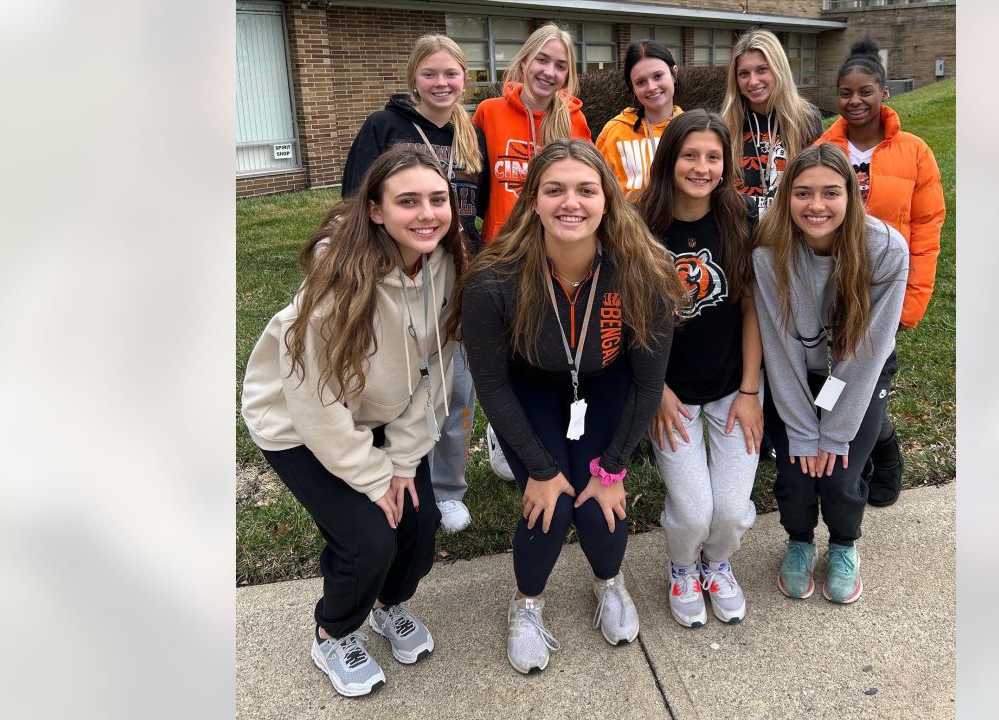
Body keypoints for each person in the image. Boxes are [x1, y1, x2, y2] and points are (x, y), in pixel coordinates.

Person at [449, 139, 681, 673]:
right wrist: (540, 468)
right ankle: (526, 604)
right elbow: (491, 384)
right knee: (549, 511)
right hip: (529, 389)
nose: (569, 203)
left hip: (603, 386)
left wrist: (615, 466)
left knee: (600, 512)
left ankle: (609, 583)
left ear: (608, 201)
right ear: (532, 200)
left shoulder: (645, 271)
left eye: (585, 190)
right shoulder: (492, 279)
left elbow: (649, 383)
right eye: (554, 189)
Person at [241, 148, 465, 697]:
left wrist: (404, 464)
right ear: (375, 210)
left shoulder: (446, 264)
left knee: (417, 526)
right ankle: (333, 633)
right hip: (297, 425)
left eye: (438, 200)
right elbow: (313, 400)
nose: (427, 214)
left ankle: (388, 607)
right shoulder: (339, 279)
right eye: (407, 201)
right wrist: (371, 477)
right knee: (368, 539)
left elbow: (436, 371)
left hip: (380, 415)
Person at [339, 33, 490, 531]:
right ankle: (392, 473)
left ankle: (446, 489)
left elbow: (479, 211)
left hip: (454, 277)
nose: (442, 83)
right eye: (431, 74)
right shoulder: (385, 127)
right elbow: (353, 206)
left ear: (465, 78)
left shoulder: (471, 136)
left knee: (456, 389)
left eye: (451, 73)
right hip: (391, 278)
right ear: (414, 80)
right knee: (397, 385)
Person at [751, 144, 908, 605]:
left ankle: (843, 545)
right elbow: (780, 352)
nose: (815, 205)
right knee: (797, 473)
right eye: (802, 193)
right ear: (786, 197)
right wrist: (803, 433)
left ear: (853, 194)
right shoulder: (768, 250)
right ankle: (799, 541)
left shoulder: (885, 249)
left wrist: (834, 434)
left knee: (839, 475)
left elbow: (868, 352)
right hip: (796, 372)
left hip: (860, 370)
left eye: (829, 193)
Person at [634, 109, 763, 627]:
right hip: (671, 394)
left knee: (729, 511)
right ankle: (683, 565)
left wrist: (751, 390)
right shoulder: (641, 223)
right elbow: (632, 317)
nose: (701, 166)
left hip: (734, 387)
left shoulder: (741, 218)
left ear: (726, 163)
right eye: (691, 154)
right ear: (670, 159)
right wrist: (656, 390)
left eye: (713, 156)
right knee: (691, 511)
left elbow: (753, 305)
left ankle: (717, 563)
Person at [814, 37, 946, 507]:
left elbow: (927, 229)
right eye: (846, 93)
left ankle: (882, 455)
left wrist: (911, 302)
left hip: (885, 293)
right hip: (834, 291)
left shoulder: (914, 152)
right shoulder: (822, 149)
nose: (854, 101)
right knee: (837, 378)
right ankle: (876, 444)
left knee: (870, 381)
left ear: (884, 93)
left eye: (865, 91)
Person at [473, 23, 592, 245]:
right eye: (542, 59)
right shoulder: (489, 112)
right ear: (525, 60)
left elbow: (587, 186)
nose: (549, 72)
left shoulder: (574, 120)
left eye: (560, 66)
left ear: (567, 75)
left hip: (553, 244)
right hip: (501, 245)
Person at [720, 29, 824, 218]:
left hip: (790, 232)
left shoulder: (807, 119)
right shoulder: (725, 125)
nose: (753, 81)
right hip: (738, 234)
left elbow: (819, 179)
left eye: (762, 70)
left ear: (778, 69)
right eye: (744, 73)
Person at [595, 40, 684, 202]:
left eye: (658, 76)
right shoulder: (615, 131)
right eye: (641, 82)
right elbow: (598, 189)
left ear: (674, 73)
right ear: (632, 87)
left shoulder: (692, 130)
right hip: (630, 225)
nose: (651, 87)